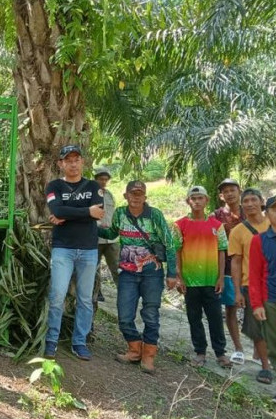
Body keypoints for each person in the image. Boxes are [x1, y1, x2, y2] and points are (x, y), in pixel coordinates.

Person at [98, 181, 176, 373]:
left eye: (140, 193)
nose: (136, 197)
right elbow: (111, 233)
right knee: (124, 315)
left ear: (145, 196)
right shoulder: (120, 213)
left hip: (152, 273)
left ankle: (148, 356)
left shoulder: (154, 215)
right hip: (127, 272)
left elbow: (170, 244)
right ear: (126, 196)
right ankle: (134, 349)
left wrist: (172, 273)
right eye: (133, 193)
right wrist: (92, 226)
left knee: (150, 314)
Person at [43, 145, 104, 361]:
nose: (73, 163)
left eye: (77, 159)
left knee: (85, 299)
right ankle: (51, 341)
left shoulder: (93, 185)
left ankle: (79, 342)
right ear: (60, 164)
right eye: (68, 160)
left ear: (82, 162)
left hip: (88, 250)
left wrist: (69, 214)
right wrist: (86, 211)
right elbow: (57, 210)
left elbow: (99, 213)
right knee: (57, 295)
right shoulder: (54, 186)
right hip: (63, 249)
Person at [173, 186, 232, 369]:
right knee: (194, 317)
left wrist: (221, 277)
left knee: (215, 317)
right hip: (190, 281)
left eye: (200, 198)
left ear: (207, 201)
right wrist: (179, 277)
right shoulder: (179, 225)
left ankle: (220, 353)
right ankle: (200, 352)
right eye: (193, 198)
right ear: (188, 201)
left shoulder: (217, 225)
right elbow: (176, 252)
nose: (197, 201)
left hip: (211, 280)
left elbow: (222, 251)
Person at [228, 188, 272, 384]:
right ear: (241, 205)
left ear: (262, 202)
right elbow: (236, 262)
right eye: (246, 201)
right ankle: (265, 368)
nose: (250, 204)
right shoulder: (238, 231)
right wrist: (237, 291)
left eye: (254, 200)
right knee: (258, 329)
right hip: (251, 285)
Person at [249, 194, 276, 405]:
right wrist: (256, 304)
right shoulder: (259, 240)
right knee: (275, 348)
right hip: (271, 301)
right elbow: (254, 274)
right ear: (268, 214)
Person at [212, 178, 246, 364]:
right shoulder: (216, 216)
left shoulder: (249, 212)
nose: (230, 193)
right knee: (231, 308)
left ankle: (260, 350)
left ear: (239, 191)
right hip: (226, 268)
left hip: (249, 268)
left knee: (255, 310)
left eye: (233, 189)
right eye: (226, 191)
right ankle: (239, 348)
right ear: (221, 196)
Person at [94, 168, 119, 303]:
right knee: (94, 268)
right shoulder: (90, 193)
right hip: (95, 237)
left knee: (117, 267)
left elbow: (112, 214)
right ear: (96, 179)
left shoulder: (109, 195)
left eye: (105, 179)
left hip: (111, 238)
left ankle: (123, 293)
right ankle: (97, 292)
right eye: (101, 179)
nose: (103, 182)